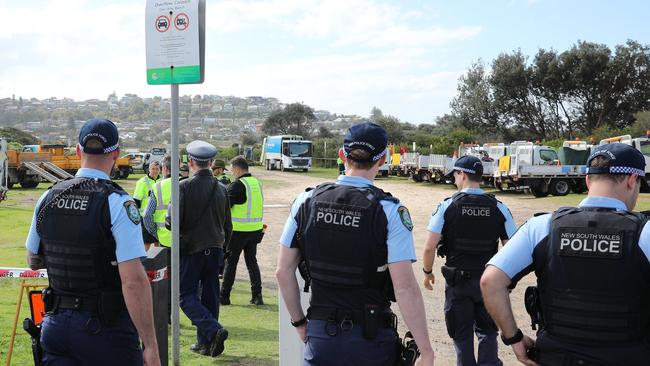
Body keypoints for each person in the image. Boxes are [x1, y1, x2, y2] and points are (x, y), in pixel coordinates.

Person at [276, 122, 435, 366]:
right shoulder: (390, 211)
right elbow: (404, 288)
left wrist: (299, 324)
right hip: (370, 340)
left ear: (342, 155)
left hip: (320, 335)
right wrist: (426, 350)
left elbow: (283, 272)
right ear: (382, 160)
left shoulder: (305, 201)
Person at [480, 143, 650, 366]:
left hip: (555, 358)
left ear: (588, 180)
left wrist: (514, 338)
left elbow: (490, 281)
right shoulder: (645, 232)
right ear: (631, 180)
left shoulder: (542, 226)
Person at [24, 118, 160, 365]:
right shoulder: (118, 202)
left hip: (55, 325)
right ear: (116, 153)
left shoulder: (48, 197)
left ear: (78, 151)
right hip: (105, 331)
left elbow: (33, 260)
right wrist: (150, 344)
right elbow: (133, 281)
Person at [422, 155, 517, 366]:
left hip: (458, 283)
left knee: (462, 334)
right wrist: (507, 280)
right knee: (488, 332)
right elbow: (513, 248)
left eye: (455, 175)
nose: (455, 180)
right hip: (489, 283)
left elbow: (429, 247)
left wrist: (427, 272)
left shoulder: (448, 206)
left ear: (462, 174)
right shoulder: (499, 207)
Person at [167, 140, 232, 357]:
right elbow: (228, 226)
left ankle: (213, 331)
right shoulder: (222, 188)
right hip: (216, 249)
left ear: (191, 162)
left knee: (184, 295)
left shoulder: (183, 186)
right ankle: (205, 343)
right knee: (210, 295)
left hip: (192, 250)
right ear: (211, 163)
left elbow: (171, 221)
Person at [220, 156, 265, 306]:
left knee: (231, 263)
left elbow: (224, 208)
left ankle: (224, 296)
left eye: (232, 169)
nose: (232, 172)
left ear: (238, 168)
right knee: (252, 262)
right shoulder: (257, 183)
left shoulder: (237, 185)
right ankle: (257, 296)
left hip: (238, 232)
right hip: (255, 230)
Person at [143, 156, 172, 248]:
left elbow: (147, 216)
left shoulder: (157, 186)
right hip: (186, 240)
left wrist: (156, 233)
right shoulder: (187, 184)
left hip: (164, 238)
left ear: (164, 168)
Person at [133, 160, 161, 249]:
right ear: (149, 169)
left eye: (157, 169)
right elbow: (136, 200)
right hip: (146, 217)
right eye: (153, 169)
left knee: (158, 241)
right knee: (146, 243)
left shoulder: (162, 181)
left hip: (159, 217)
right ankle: (145, 262)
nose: (155, 171)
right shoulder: (142, 182)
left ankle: (159, 262)